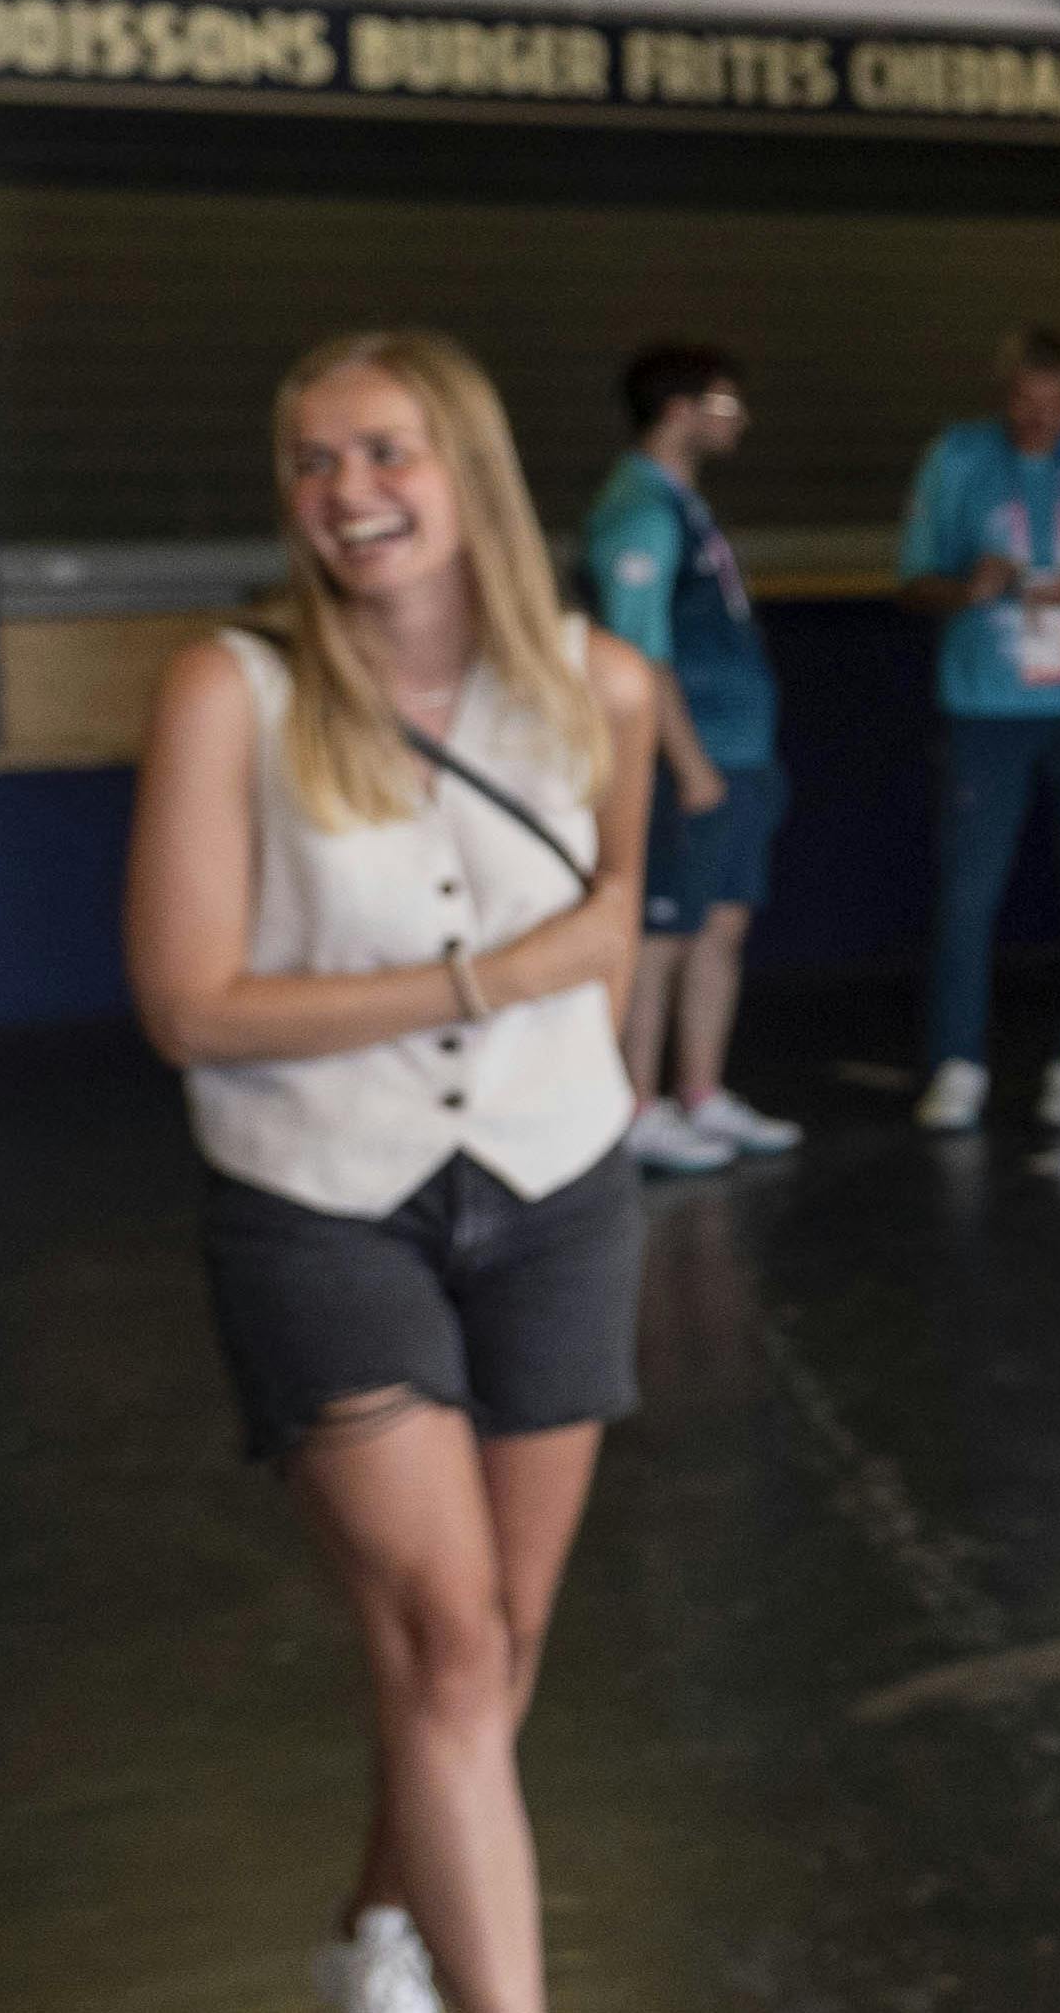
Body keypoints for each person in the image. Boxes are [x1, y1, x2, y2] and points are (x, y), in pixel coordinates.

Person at [129, 329, 669, 2013]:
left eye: (385, 454)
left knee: (490, 1647)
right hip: (321, 1204)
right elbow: (189, 1008)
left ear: (469, 475)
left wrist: (607, 1114)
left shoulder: (605, 685)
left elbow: (616, 946)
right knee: (444, 1639)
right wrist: (487, 982)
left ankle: (379, 1931)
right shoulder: (237, 688)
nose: (347, 493)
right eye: (314, 462)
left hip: (558, 1194)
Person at [889, 327, 1060, 1135]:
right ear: (1003, 391)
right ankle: (956, 1062)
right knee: (968, 891)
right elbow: (910, 582)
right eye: (1023, 402)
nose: (1039, 418)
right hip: (987, 707)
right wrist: (968, 587)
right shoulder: (957, 458)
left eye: (1054, 404)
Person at [588, 342, 795, 1172]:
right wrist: (688, 763)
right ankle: (636, 1105)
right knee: (662, 931)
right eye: (723, 401)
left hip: (741, 753)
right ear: (678, 410)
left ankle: (700, 1093)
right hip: (691, 763)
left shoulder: (684, 503)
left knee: (720, 926)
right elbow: (638, 651)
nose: (737, 417)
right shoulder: (638, 508)